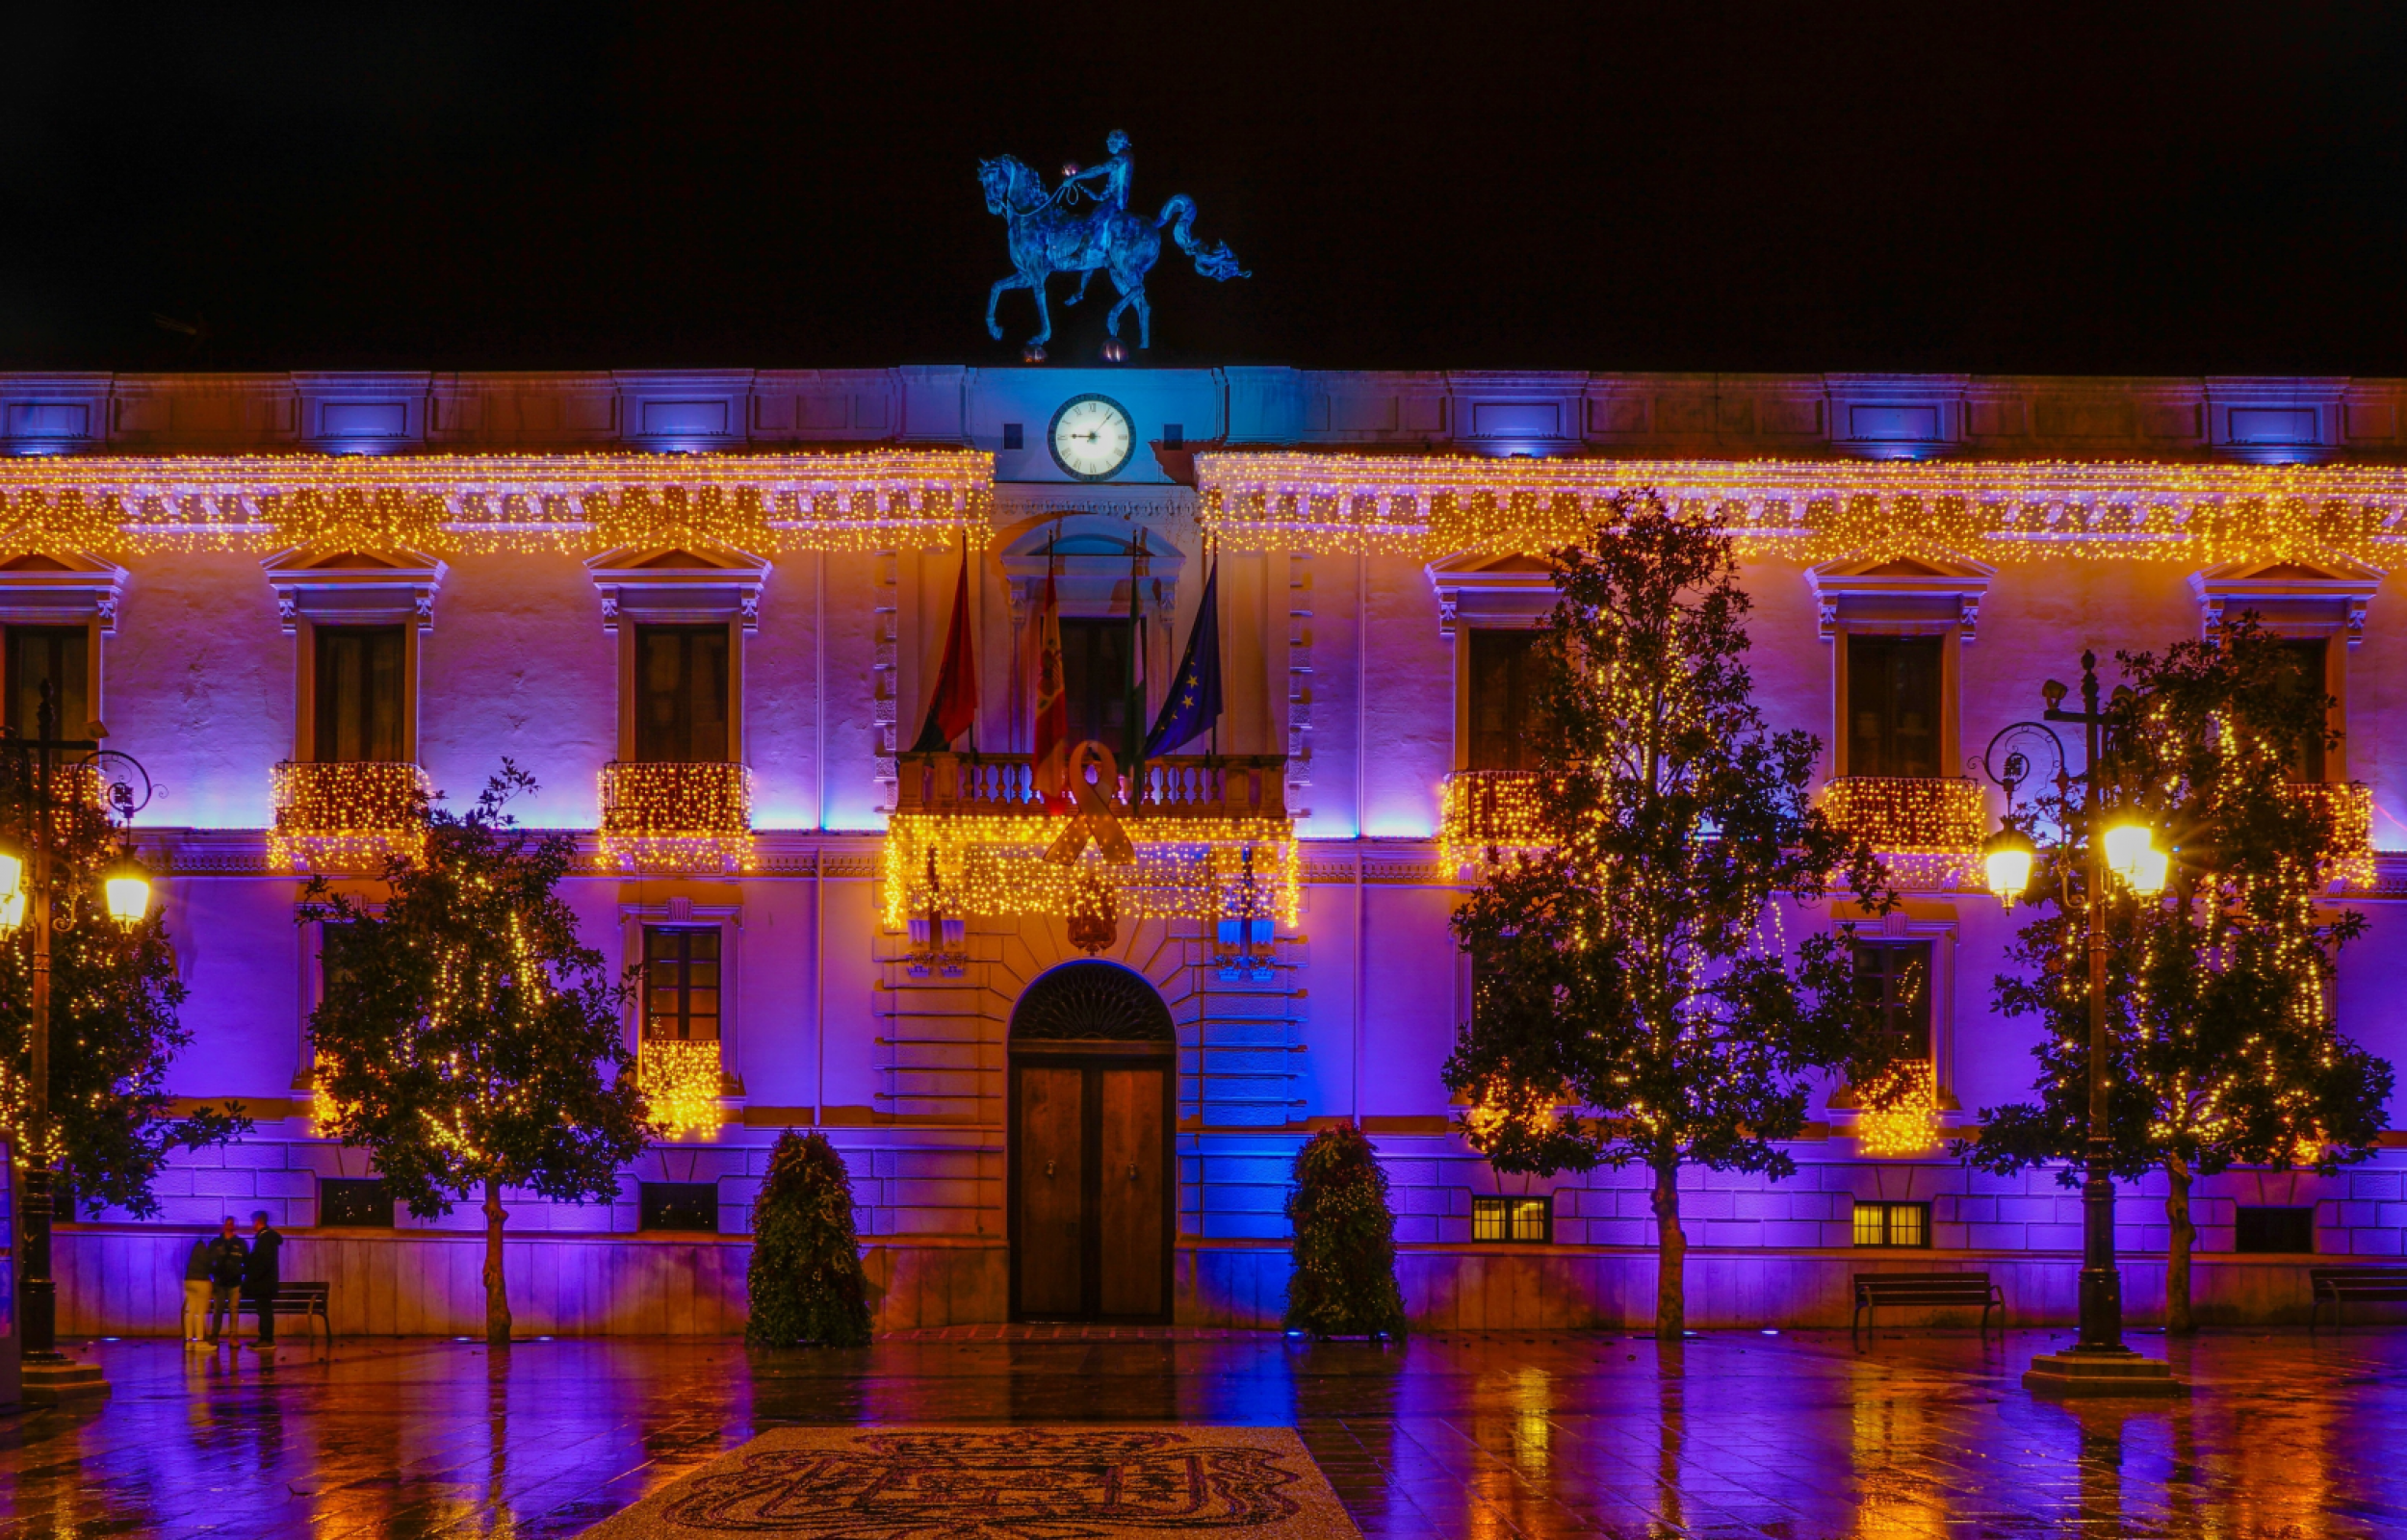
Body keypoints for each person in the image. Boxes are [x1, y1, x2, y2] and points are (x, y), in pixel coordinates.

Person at [244, 1210, 283, 1350]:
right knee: (264, 1310)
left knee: (264, 1310)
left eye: (253, 1221)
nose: (252, 1225)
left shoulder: (265, 1239)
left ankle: (267, 1339)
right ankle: (265, 1338)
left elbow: (262, 1261)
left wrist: (252, 1275)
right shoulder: (267, 1238)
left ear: (258, 1221)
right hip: (266, 1282)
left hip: (263, 1283)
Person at [204, 1217, 247, 1343]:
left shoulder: (240, 1243)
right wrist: (212, 1275)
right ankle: (215, 1335)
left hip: (235, 1282)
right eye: (227, 1224)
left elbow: (247, 1261)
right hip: (220, 1282)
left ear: (235, 1226)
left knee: (234, 1310)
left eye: (231, 1224)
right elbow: (208, 1260)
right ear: (223, 1226)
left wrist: (240, 1272)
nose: (229, 1226)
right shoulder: (216, 1242)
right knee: (218, 1309)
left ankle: (233, 1336)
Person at [180, 1226, 215, 1345]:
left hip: (189, 1280)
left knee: (190, 1310)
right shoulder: (206, 1250)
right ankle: (200, 1339)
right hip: (202, 1281)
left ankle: (188, 1339)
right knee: (200, 1312)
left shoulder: (194, 1250)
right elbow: (209, 1265)